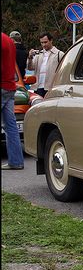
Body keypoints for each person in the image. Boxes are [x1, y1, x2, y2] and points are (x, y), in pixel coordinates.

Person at [1, 33, 25, 170]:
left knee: (10, 126)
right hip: (9, 87)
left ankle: (15, 161)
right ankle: (16, 161)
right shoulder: (9, 41)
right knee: (11, 126)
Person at [27, 32, 64, 97]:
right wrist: (30, 57)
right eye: (42, 42)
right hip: (38, 88)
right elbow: (30, 67)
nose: (43, 45)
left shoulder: (59, 54)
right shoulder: (39, 55)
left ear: (51, 40)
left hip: (51, 88)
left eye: (45, 42)